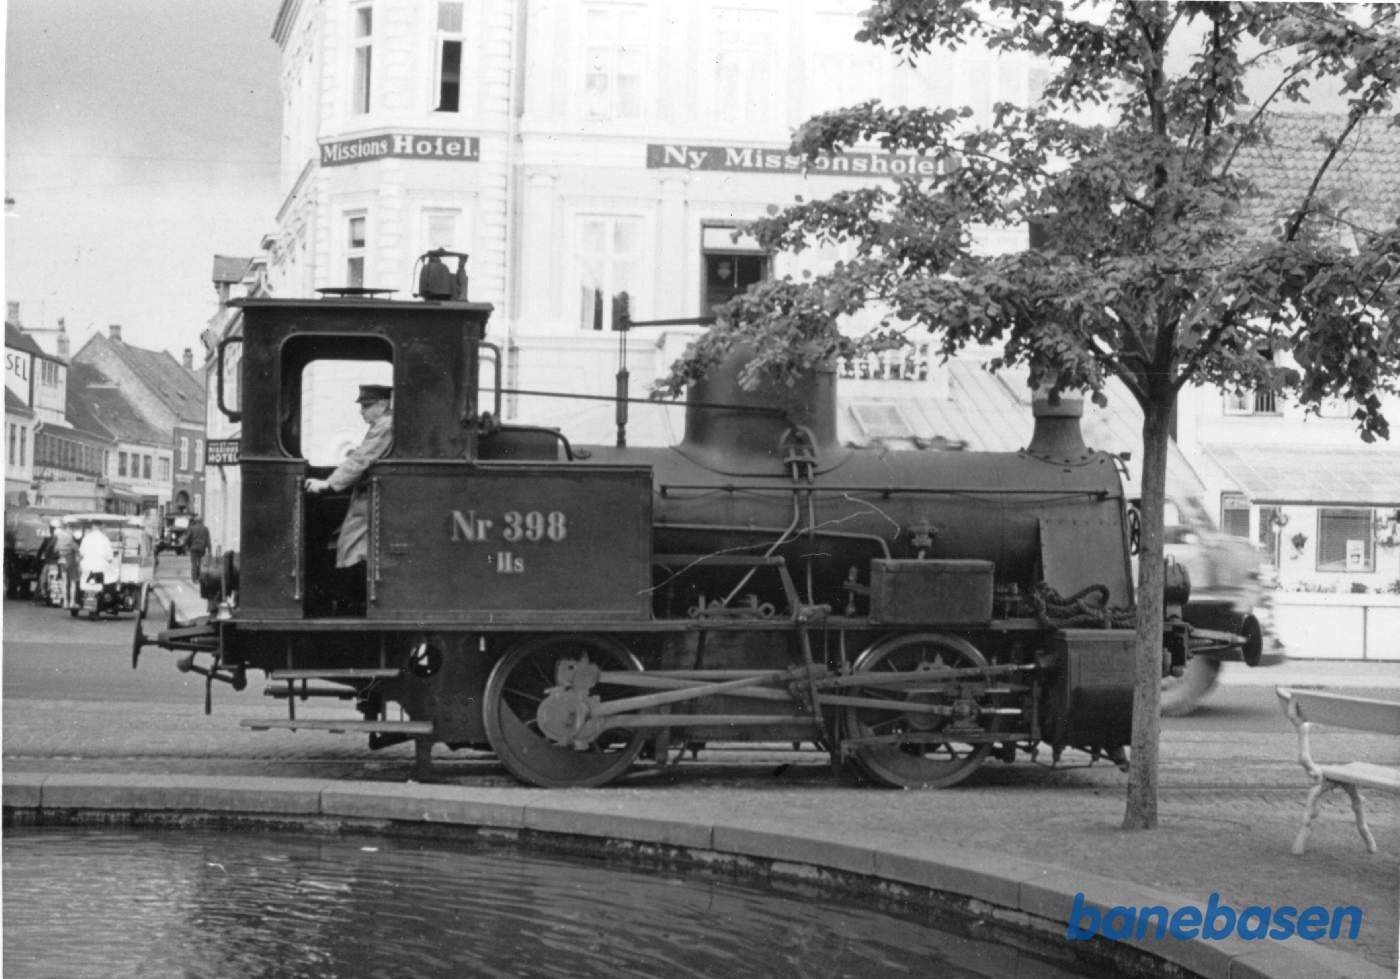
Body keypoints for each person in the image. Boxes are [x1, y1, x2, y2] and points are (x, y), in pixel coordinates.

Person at [305, 384, 394, 570]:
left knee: (352, 547)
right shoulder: (382, 425)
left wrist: (328, 484)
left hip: (375, 498)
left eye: (366, 406)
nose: (362, 412)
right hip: (369, 496)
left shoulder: (385, 426)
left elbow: (361, 458)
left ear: (383, 405)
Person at [77, 525, 115, 609]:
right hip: (101, 567)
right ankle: (108, 597)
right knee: (111, 576)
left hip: (86, 566)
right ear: (100, 529)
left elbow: (81, 552)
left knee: (83, 578)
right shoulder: (105, 539)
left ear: (92, 529)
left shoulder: (86, 538)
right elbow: (110, 556)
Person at [55, 522, 79, 609]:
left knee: (64, 582)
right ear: (69, 529)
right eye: (72, 529)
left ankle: (65, 602)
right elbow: (76, 549)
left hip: (62, 560)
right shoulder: (70, 538)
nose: (73, 531)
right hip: (70, 560)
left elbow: (56, 549)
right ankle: (72, 602)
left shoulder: (59, 538)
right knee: (73, 582)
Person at [185, 515, 211, 584]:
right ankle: (199, 577)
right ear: (202, 521)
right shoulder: (205, 529)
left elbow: (187, 538)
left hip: (193, 548)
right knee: (200, 563)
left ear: (196, 521)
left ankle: (194, 579)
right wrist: (210, 550)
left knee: (194, 564)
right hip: (202, 548)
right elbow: (208, 541)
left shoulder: (192, 528)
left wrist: (186, 546)